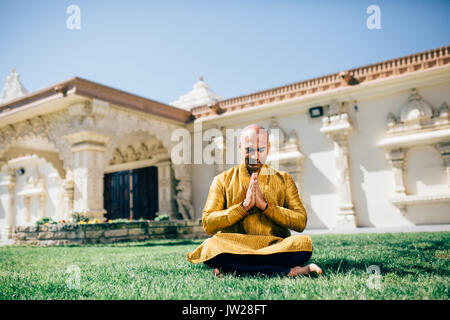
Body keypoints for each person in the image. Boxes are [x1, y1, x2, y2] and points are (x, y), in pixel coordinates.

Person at [186, 124, 322, 277]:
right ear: (239, 147)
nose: (254, 156)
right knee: (211, 246)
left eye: (260, 150)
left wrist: (265, 206)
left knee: (303, 244)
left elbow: (300, 221)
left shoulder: (284, 179)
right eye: (249, 149)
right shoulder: (222, 180)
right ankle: (287, 272)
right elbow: (208, 223)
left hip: (273, 246)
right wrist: (243, 207)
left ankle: (233, 268)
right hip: (234, 245)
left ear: (268, 148)